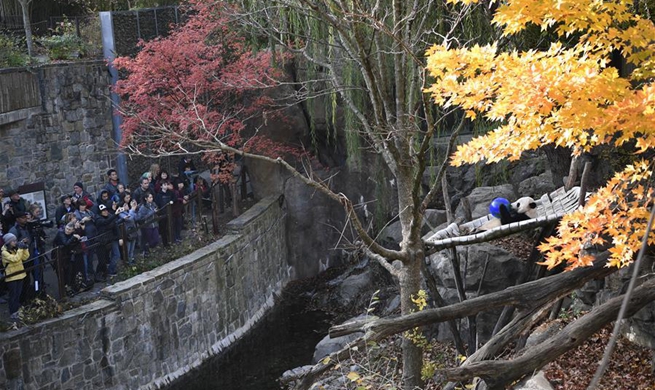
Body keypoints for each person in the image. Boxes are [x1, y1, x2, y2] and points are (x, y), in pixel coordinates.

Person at [2, 232, 29, 320]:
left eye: (16, 240)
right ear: (8, 242)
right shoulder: (4, 252)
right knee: (13, 295)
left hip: (20, 274)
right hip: (11, 276)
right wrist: (20, 249)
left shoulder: (15, 249)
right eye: (13, 241)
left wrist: (25, 248)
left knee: (18, 294)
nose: (15, 242)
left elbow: (25, 257)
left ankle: (17, 310)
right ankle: (13, 312)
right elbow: (15, 259)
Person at [94, 204, 121, 280]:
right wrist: (115, 214)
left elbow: (115, 225)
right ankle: (98, 275)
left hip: (109, 240)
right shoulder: (98, 219)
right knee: (101, 261)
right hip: (101, 242)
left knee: (107, 259)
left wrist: (119, 237)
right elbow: (105, 222)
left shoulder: (109, 216)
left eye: (106, 210)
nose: (105, 212)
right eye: (103, 211)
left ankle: (105, 273)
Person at [137, 192, 160, 257]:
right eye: (150, 197)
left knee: (156, 239)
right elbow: (141, 217)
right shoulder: (143, 207)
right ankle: (146, 250)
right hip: (148, 226)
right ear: (146, 198)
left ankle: (148, 248)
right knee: (149, 240)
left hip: (154, 224)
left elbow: (157, 210)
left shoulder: (153, 204)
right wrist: (152, 212)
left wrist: (156, 212)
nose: (151, 199)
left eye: (152, 197)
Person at [154, 181, 175, 247]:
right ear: (161, 186)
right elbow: (157, 204)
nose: (166, 186)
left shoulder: (170, 192)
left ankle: (171, 241)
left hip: (170, 212)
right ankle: (165, 243)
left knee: (170, 227)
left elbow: (174, 198)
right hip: (162, 214)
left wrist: (172, 201)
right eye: (164, 185)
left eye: (166, 184)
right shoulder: (159, 195)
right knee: (163, 230)